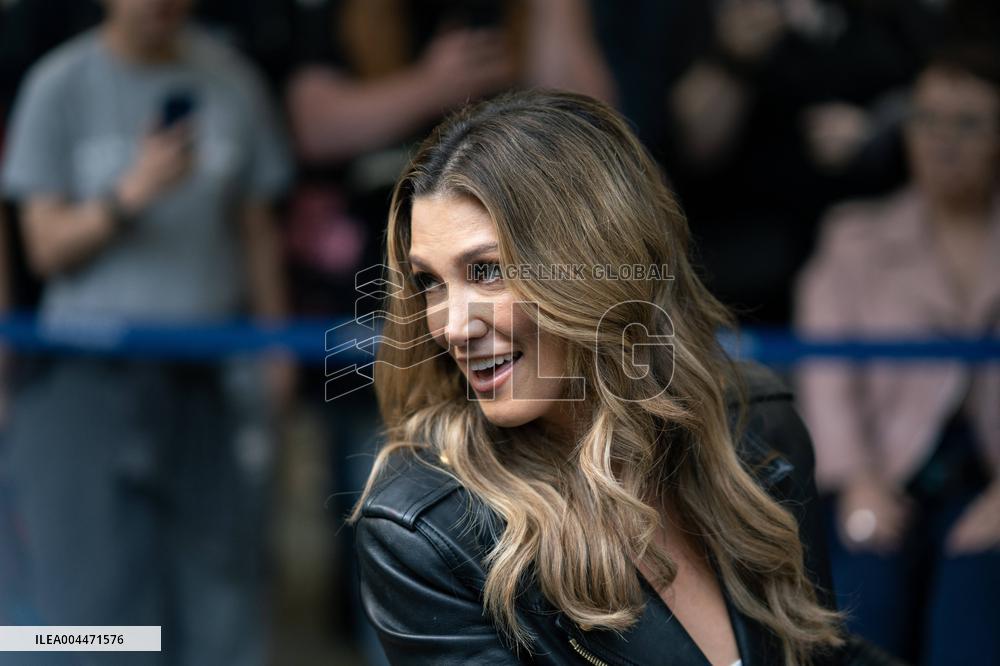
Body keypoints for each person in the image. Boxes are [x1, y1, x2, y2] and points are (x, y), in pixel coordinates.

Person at [346, 89, 899, 665]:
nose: (452, 326)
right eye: (430, 283)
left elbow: (822, 651)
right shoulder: (425, 528)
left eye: (486, 271)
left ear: (598, 263)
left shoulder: (756, 426)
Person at [0, 0, 291, 663]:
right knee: (92, 606)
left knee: (220, 588)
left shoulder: (233, 80)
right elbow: (43, 248)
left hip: (209, 374)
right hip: (85, 376)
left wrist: (274, 349)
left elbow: (256, 229)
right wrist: (130, 193)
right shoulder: (58, 84)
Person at [795, 44, 1000, 665]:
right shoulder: (855, 235)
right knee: (865, 608)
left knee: (972, 613)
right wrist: (857, 479)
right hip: (882, 472)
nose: (943, 141)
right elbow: (826, 374)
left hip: (986, 479)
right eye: (928, 119)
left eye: (968, 122)